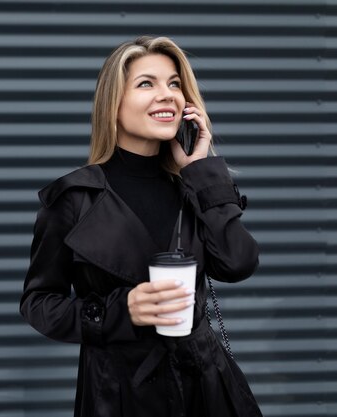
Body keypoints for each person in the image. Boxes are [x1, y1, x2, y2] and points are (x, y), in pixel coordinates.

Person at [20, 36, 263, 417]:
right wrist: (121, 311)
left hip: (206, 385)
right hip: (118, 391)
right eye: (146, 83)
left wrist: (202, 170)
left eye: (174, 83)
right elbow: (38, 303)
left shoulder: (194, 185)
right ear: (113, 103)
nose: (167, 94)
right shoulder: (75, 198)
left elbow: (238, 263)